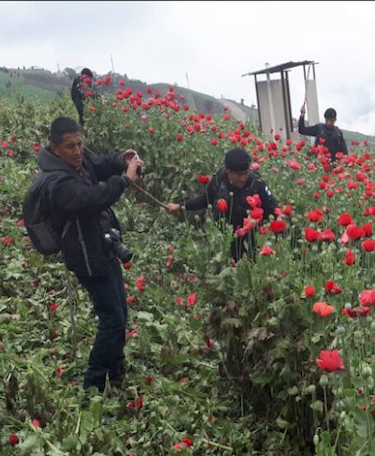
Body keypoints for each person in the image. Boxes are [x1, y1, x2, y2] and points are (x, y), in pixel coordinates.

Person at [40, 116, 144, 391]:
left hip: (103, 243)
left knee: (120, 310)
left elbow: (100, 165)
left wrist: (122, 159)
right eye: (70, 146)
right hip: (86, 255)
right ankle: (93, 386)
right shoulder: (57, 181)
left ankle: (116, 369)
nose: (77, 151)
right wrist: (125, 181)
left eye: (80, 144)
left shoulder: (78, 160)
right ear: (54, 148)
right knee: (111, 319)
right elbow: (92, 199)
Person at [165, 148, 277, 261]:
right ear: (227, 170)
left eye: (246, 173)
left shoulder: (256, 184)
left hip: (252, 243)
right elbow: (206, 199)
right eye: (239, 175)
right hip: (225, 239)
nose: (243, 179)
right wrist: (180, 206)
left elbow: (273, 211)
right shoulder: (219, 180)